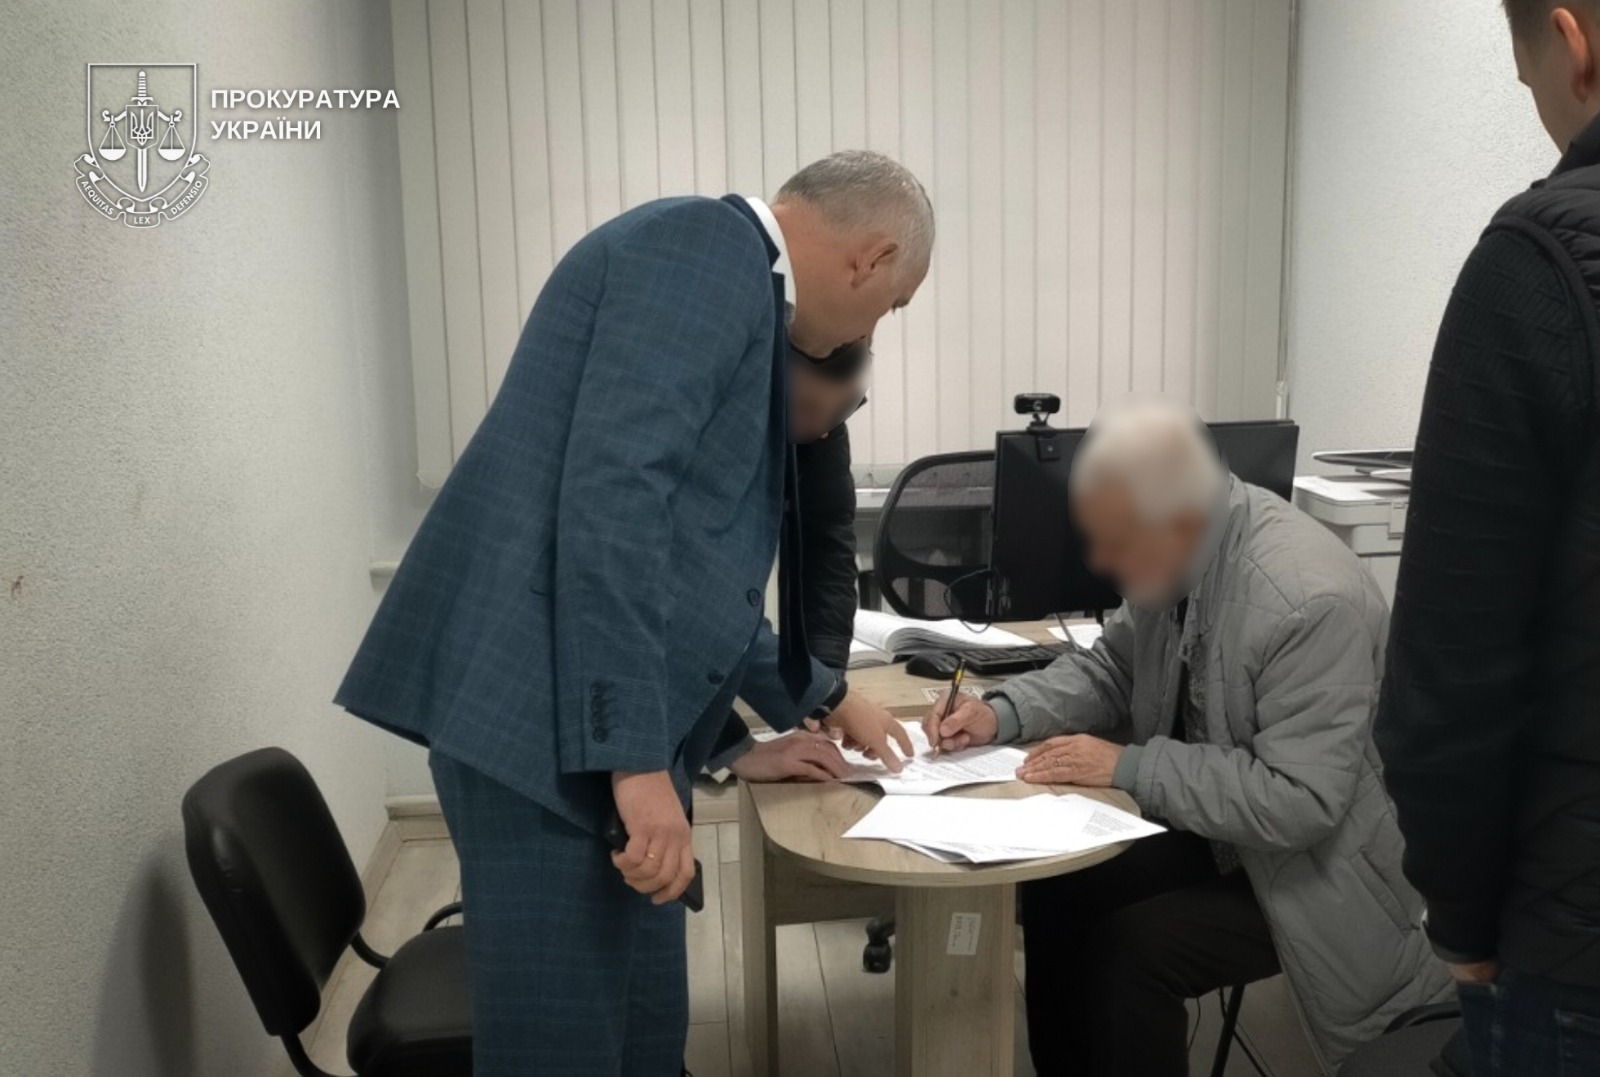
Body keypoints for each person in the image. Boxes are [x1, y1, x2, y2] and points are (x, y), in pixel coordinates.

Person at [334, 151, 932, 1076]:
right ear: (873, 258)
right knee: (565, 1051)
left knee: (646, 1033)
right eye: (892, 304)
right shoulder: (707, 253)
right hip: (542, 735)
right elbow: (615, 510)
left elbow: (684, 575)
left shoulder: (729, 280)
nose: (874, 326)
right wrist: (638, 759)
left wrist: (769, 721)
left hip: (587, 731)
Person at [922, 397, 1451, 1075]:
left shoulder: (1308, 601)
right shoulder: (1175, 556)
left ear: (1182, 522)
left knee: (1132, 953)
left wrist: (1129, 767)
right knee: (1059, 887)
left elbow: (1300, 802)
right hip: (1221, 834)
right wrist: (1003, 712)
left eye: (1115, 541)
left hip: (1316, 872)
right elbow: (1113, 669)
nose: (1101, 560)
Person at [1372, 3, 1600, 1071]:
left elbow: (1448, 676)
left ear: (1572, 44)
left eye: (1527, 77)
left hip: (1574, 936)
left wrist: (1457, 919)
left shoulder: (1538, 263)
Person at [710, 339, 872, 782]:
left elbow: (827, 547)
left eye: (840, 412)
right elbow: (692, 608)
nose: (821, 430)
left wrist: (824, 686)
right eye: (807, 409)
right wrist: (735, 745)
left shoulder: (820, 423)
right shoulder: (712, 419)